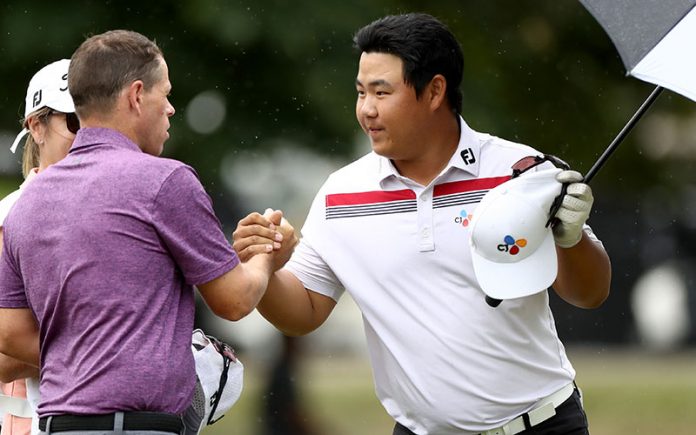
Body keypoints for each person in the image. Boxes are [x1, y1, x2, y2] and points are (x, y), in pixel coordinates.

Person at [232, 13, 611, 435]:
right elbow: (303, 312)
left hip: (543, 426)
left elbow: (589, 293)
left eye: (382, 92)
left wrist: (571, 239)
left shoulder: (520, 172)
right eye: (361, 93)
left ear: (434, 91)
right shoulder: (342, 194)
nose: (366, 110)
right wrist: (265, 266)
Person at [0, 30, 279, 435]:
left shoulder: (25, 204)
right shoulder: (167, 181)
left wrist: (92, 355)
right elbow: (234, 301)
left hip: (58, 424)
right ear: (135, 96)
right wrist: (266, 251)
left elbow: (8, 332)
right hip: (143, 424)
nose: (170, 109)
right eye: (164, 94)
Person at [0, 59, 77, 435]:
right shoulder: (7, 218)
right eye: (74, 123)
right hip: (28, 422)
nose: (90, 136)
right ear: (36, 126)